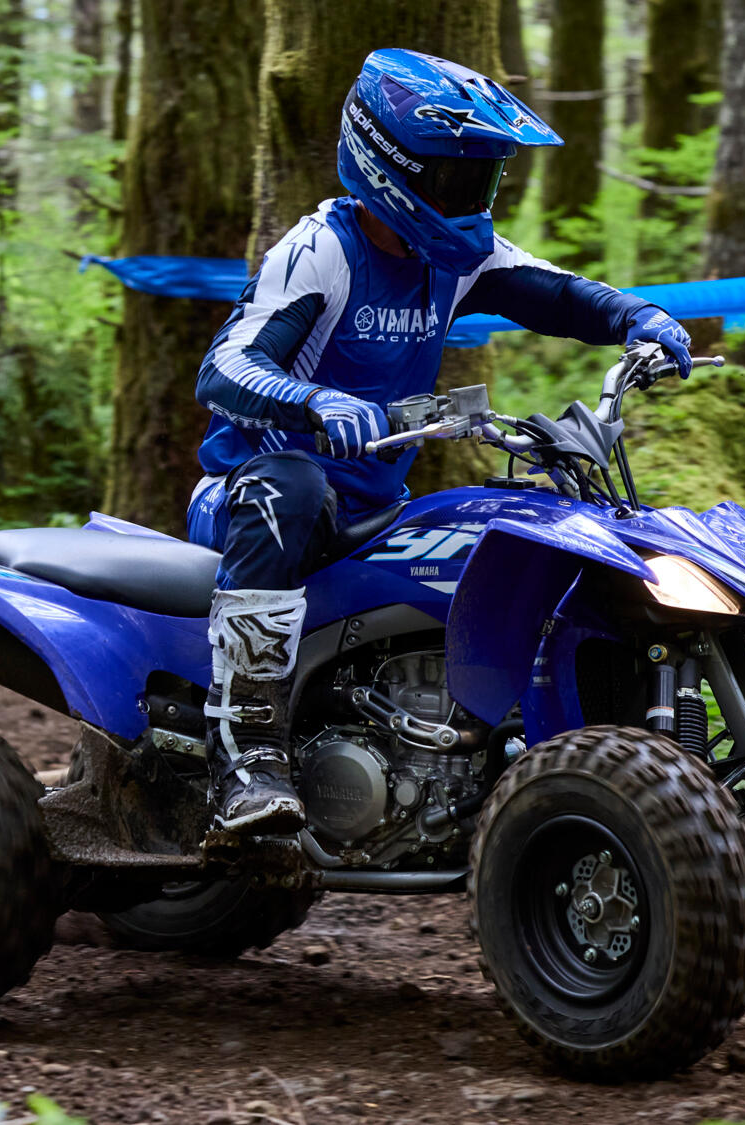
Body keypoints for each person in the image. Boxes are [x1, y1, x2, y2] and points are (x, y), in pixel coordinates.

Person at [186, 48, 694, 835]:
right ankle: (245, 753)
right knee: (293, 484)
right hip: (248, 498)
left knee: (507, 522)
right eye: (456, 178)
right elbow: (224, 369)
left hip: (371, 510)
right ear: (391, 167)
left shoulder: (454, 259)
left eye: (484, 180)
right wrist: (314, 401)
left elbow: (559, 294)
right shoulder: (322, 251)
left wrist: (640, 319)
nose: (472, 200)